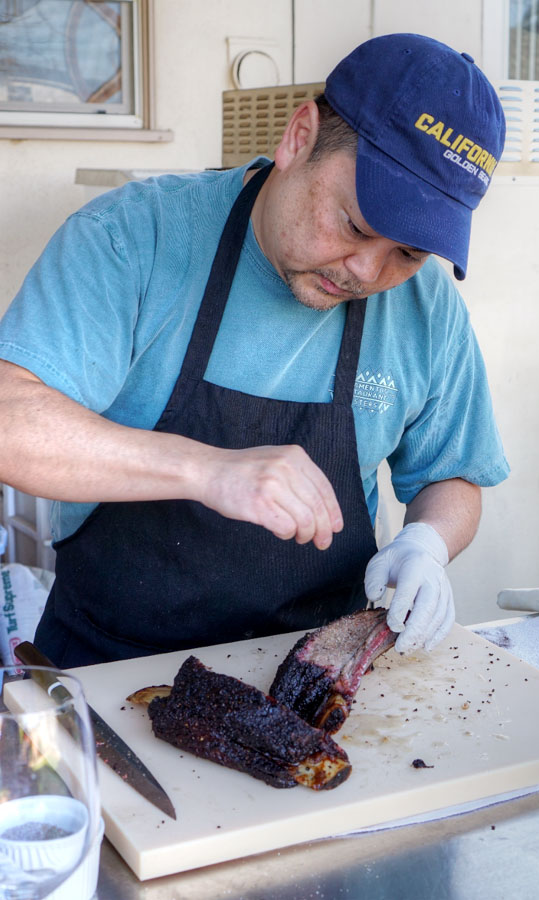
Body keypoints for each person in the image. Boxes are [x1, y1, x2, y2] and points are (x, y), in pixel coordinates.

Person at [0, 33, 509, 668]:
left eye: (408, 252)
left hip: (314, 673)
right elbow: (10, 420)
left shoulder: (426, 306)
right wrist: (207, 469)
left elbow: (451, 473)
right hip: (106, 664)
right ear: (299, 137)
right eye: (355, 224)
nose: (365, 271)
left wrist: (427, 543)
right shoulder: (134, 238)